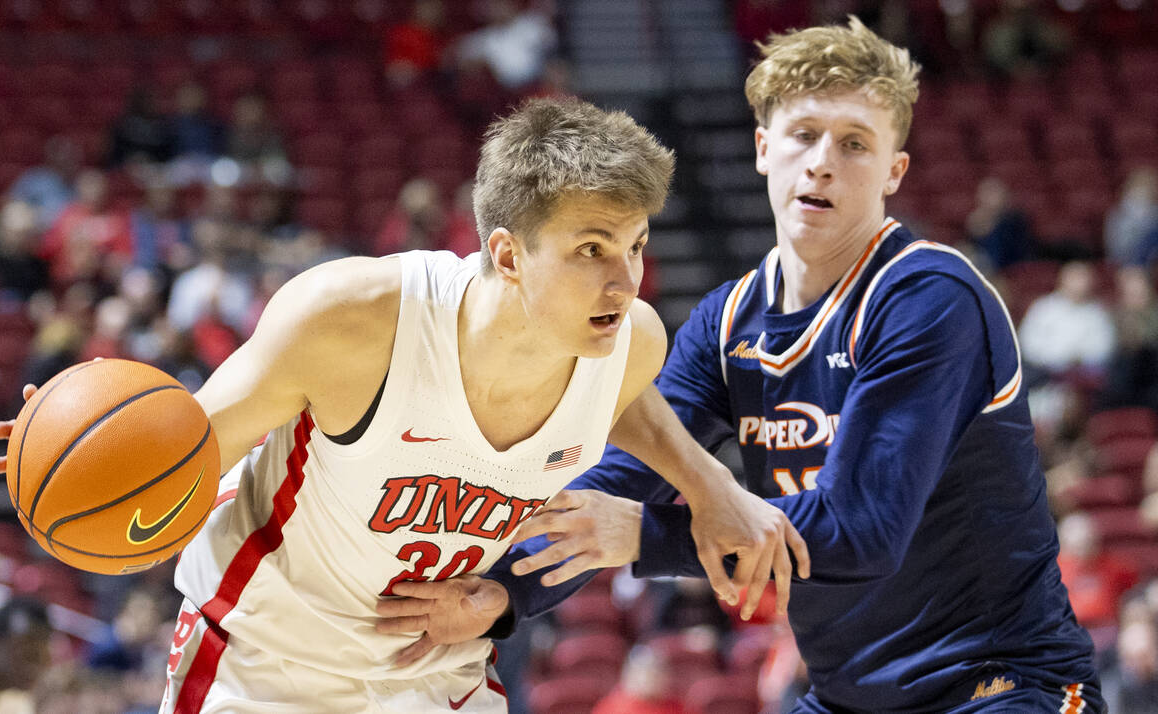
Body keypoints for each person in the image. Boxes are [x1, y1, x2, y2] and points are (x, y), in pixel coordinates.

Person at [0, 98, 806, 713]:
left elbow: (622, 401)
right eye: (592, 249)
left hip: (433, 671)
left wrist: (712, 487)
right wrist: (77, 456)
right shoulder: (354, 320)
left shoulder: (629, 341)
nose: (625, 280)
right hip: (270, 659)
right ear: (507, 254)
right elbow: (186, 451)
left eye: (634, 246)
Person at [380, 18, 1104, 712]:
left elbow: (863, 528)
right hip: (850, 695)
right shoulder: (728, 321)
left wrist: (642, 534)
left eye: (855, 144)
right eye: (804, 135)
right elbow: (619, 473)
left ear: (894, 172)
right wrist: (502, 593)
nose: (822, 160)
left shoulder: (929, 299)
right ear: (763, 148)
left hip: (1002, 686)